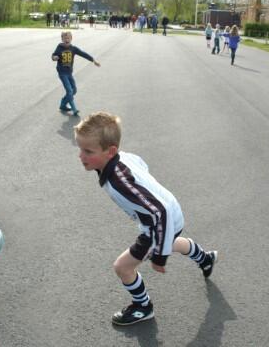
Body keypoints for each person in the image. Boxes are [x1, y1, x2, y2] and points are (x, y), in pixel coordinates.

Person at [73, 112, 218, 326]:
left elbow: (160, 213)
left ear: (110, 152)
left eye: (88, 151)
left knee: (122, 267)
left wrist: (159, 256)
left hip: (161, 221)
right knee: (172, 240)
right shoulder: (121, 158)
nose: (81, 156)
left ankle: (143, 307)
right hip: (172, 213)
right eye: (80, 149)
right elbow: (141, 163)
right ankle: (205, 258)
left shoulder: (119, 182)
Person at [51, 31, 100, 115]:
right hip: (62, 73)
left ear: (71, 39)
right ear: (62, 39)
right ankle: (74, 109)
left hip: (69, 73)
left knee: (74, 90)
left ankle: (63, 104)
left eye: (68, 38)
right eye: (65, 38)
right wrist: (54, 57)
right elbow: (53, 55)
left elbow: (83, 53)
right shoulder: (59, 47)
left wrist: (93, 60)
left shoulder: (73, 48)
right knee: (70, 91)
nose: (67, 39)